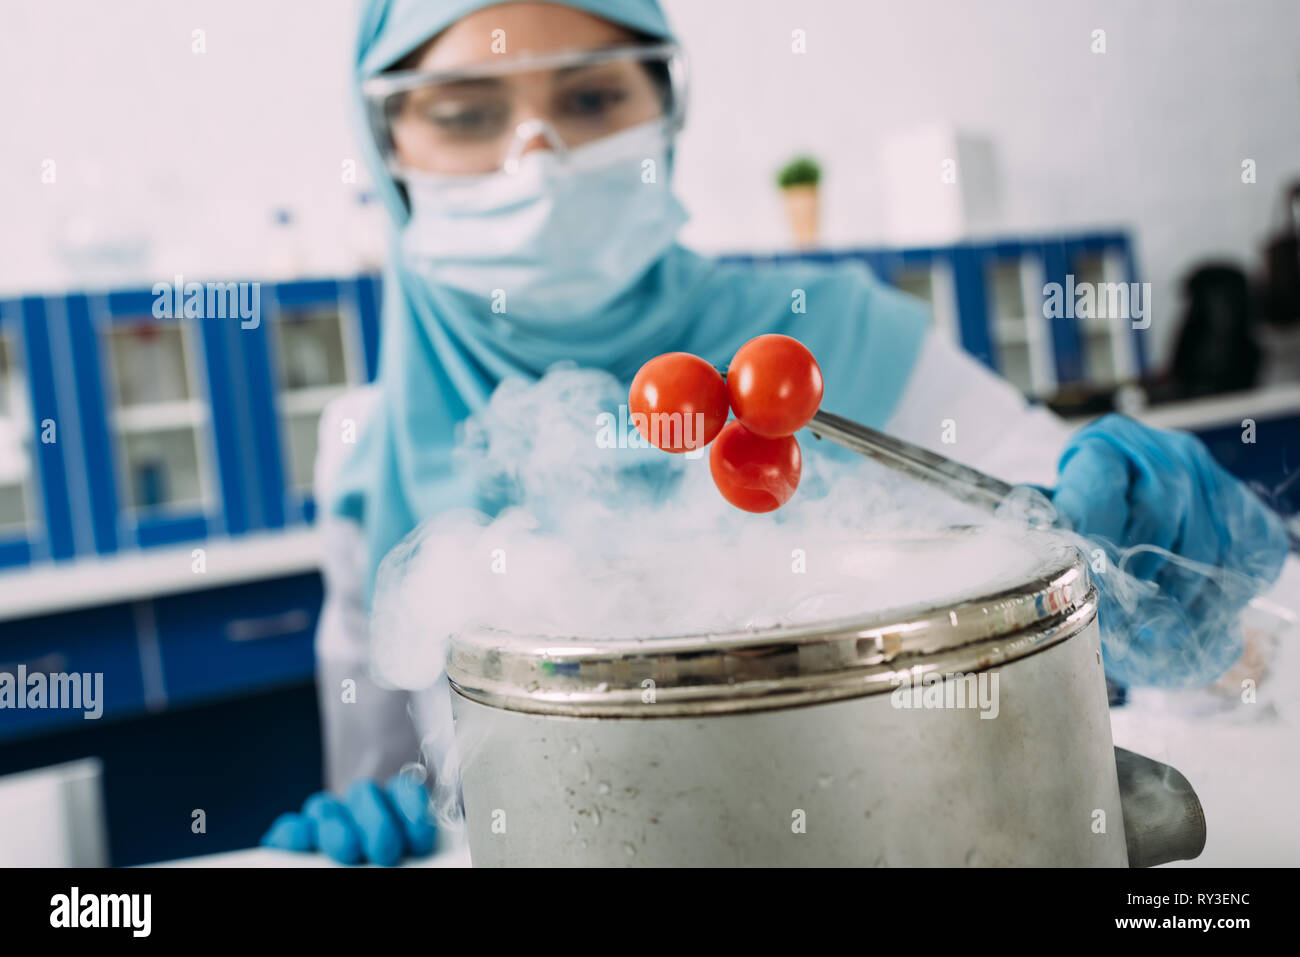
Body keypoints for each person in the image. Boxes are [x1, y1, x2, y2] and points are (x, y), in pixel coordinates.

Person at [263, 0, 1292, 864]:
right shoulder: (365, 446)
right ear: (386, 145)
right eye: (462, 112)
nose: (537, 159)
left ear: (666, 107)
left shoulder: (828, 339)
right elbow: (375, 767)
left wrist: (1189, 602)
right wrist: (377, 819)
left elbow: (1171, 619)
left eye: (588, 98)